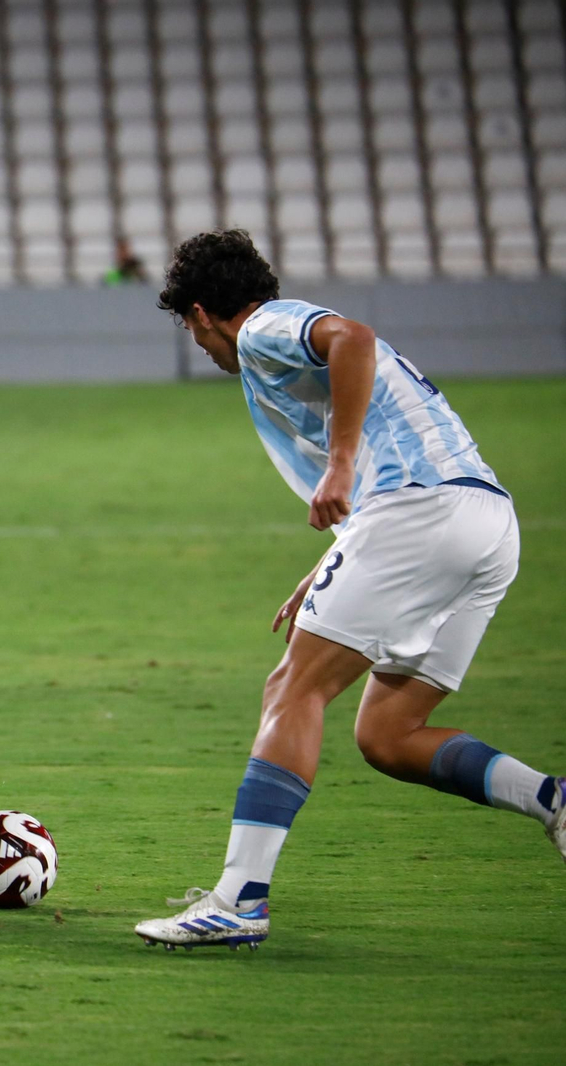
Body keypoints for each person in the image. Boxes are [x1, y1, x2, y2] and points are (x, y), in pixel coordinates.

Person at [135, 229, 564, 951]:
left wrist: (337, 469)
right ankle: (552, 799)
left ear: (202, 314)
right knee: (389, 736)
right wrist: (334, 557)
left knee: (291, 688)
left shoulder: (267, 326)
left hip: (419, 513)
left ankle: (239, 900)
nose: (201, 348)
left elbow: (354, 339)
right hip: (486, 523)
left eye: (191, 330)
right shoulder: (275, 339)